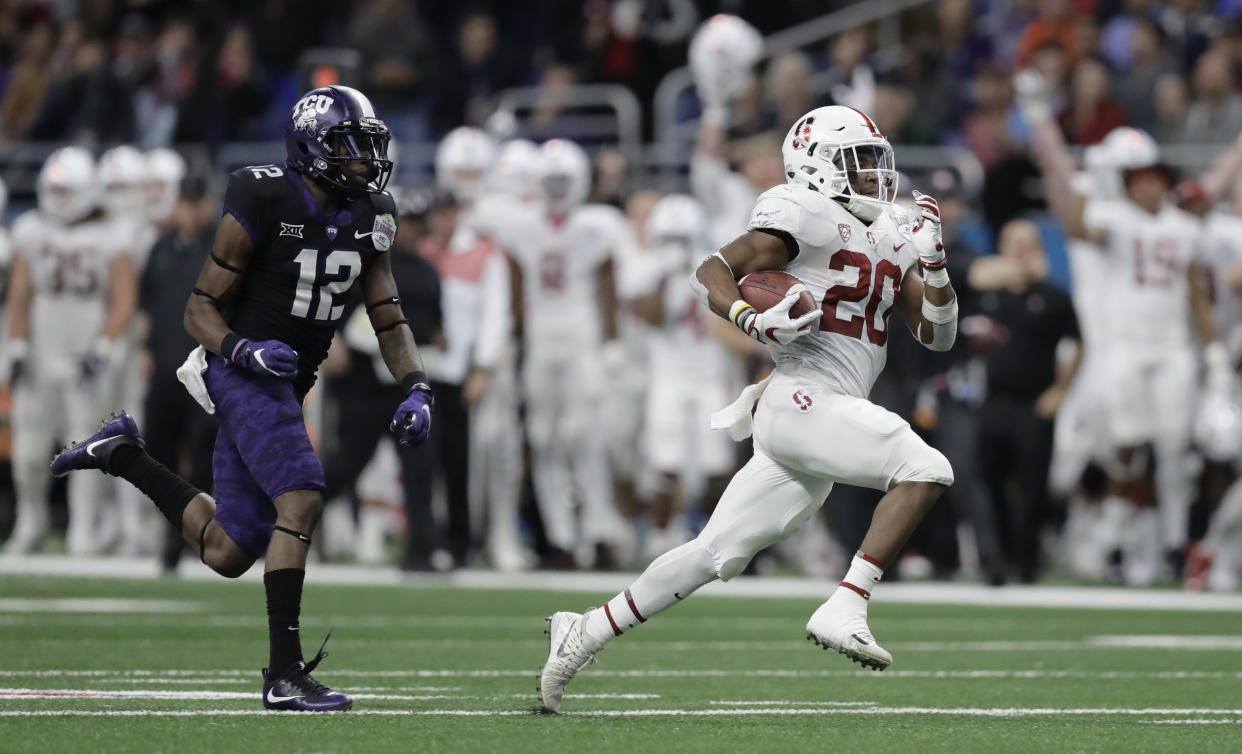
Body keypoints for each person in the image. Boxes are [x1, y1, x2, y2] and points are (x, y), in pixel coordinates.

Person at [538, 105, 958, 712]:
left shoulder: (893, 229)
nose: (872, 172)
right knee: (925, 468)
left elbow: (936, 334)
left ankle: (584, 629)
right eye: (856, 160)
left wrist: (937, 264)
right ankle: (848, 602)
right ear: (816, 168)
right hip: (800, 396)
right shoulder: (802, 210)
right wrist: (751, 318)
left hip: (827, 409)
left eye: (875, 159)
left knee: (712, 554)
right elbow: (714, 269)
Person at [49, 85, 433, 713]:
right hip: (242, 369)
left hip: (290, 379)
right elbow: (198, 307)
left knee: (229, 549)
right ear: (313, 149)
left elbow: (388, 317)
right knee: (302, 496)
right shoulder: (263, 193)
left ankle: (123, 454)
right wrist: (242, 350)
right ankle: (284, 675)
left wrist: (417, 387)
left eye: (369, 145)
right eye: (352, 145)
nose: (366, 159)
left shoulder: (374, 212)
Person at [1018, 71, 1225, 584]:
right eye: (1141, 176)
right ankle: (1107, 539)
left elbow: (1198, 292)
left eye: (1156, 175)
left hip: (1171, 346)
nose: (1150, 183)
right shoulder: (1113, 218)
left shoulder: (1183, 226)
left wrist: (1214, 352)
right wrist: (1084, 172)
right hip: (1121, 347)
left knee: (1175, 446)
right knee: (1122, 444)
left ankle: (1171, 543)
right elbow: (1074, 223)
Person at [4, 147, 137, 556]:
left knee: (86, 447)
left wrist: (102, 347)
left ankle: (84, 527)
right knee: (28, 448)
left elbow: (122, 298)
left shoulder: (114, 234)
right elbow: (20, 294)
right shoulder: (31, 229)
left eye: (67, 190)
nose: (60, 199)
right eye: (55, 190)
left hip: (86, 350)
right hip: (44, 348)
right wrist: (19, 347)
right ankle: (31, 519)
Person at [137, 174, 220, 573]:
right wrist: (143, 349)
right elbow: (146, 304)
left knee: (204, 454)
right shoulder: (161, 247)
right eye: (183, 202)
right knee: (159, 452)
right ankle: (176, 530)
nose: (188, 211)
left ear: (209, 203)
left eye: (195, 202)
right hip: (166, 365)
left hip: (207, 368)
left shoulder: (224, 247)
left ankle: (186, 537)